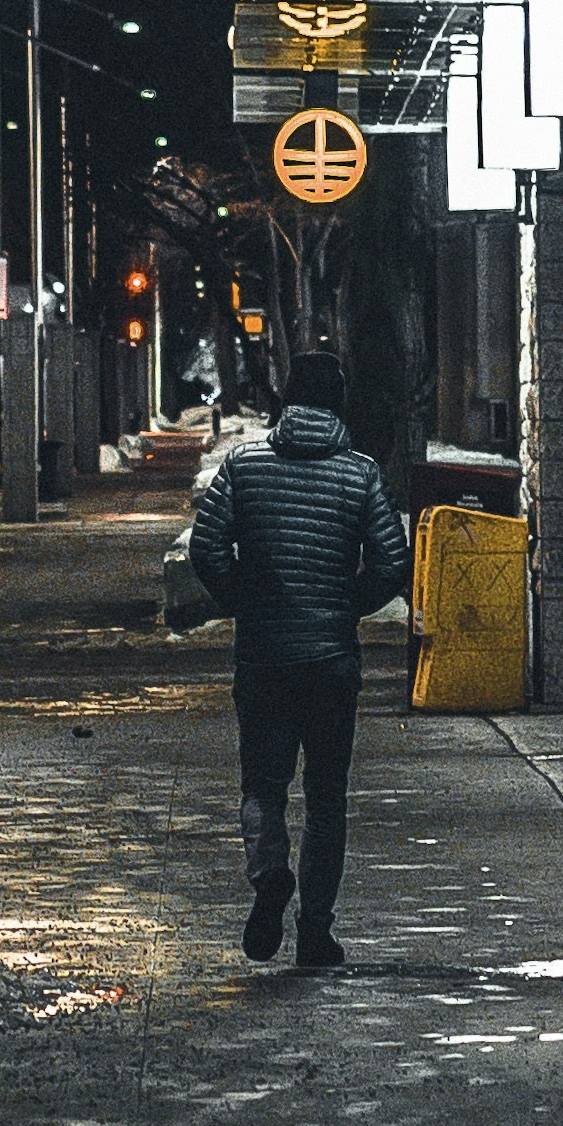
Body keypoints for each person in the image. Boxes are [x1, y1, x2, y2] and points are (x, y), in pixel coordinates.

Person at [187, 348, 411, 971]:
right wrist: (345, 607)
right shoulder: (361, 474)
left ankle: (268, 878)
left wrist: (245, 601)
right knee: (327, 797)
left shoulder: (244, 465)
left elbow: (206, 547)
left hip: (262, 659)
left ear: (287, 398)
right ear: (339, 401)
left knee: (262, 785)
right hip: (331, 663)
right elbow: (393, 562)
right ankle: (315, 930)